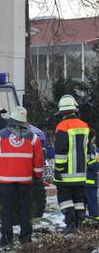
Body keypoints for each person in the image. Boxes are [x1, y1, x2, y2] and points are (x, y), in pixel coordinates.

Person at [0, 106, 44, 246]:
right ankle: (25, 238)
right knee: (25, 208)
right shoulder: (33, 138)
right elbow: (38, 160)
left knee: (6, 209)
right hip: (25, 179)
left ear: (11, 119)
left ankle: (7, 238)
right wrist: (38, 175)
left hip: (6, 180)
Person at [53, 94, 93, 231]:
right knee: (79, 199)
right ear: (75, 109)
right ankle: (79, 223)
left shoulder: (62, 126)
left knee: (65, 198)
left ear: (62, 111)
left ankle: (70, 225)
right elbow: (87, 150)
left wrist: (58, 169)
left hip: (66, 173)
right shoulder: (85, 126)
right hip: (81, 173)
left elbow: (60, 152)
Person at [85, 136, 98, 222]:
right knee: (92, 201)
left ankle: (81, 218)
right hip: (90, 181)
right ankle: (94, 218)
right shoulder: (90, 149)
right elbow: (93, 165)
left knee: (82, 202)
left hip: (82, 181)